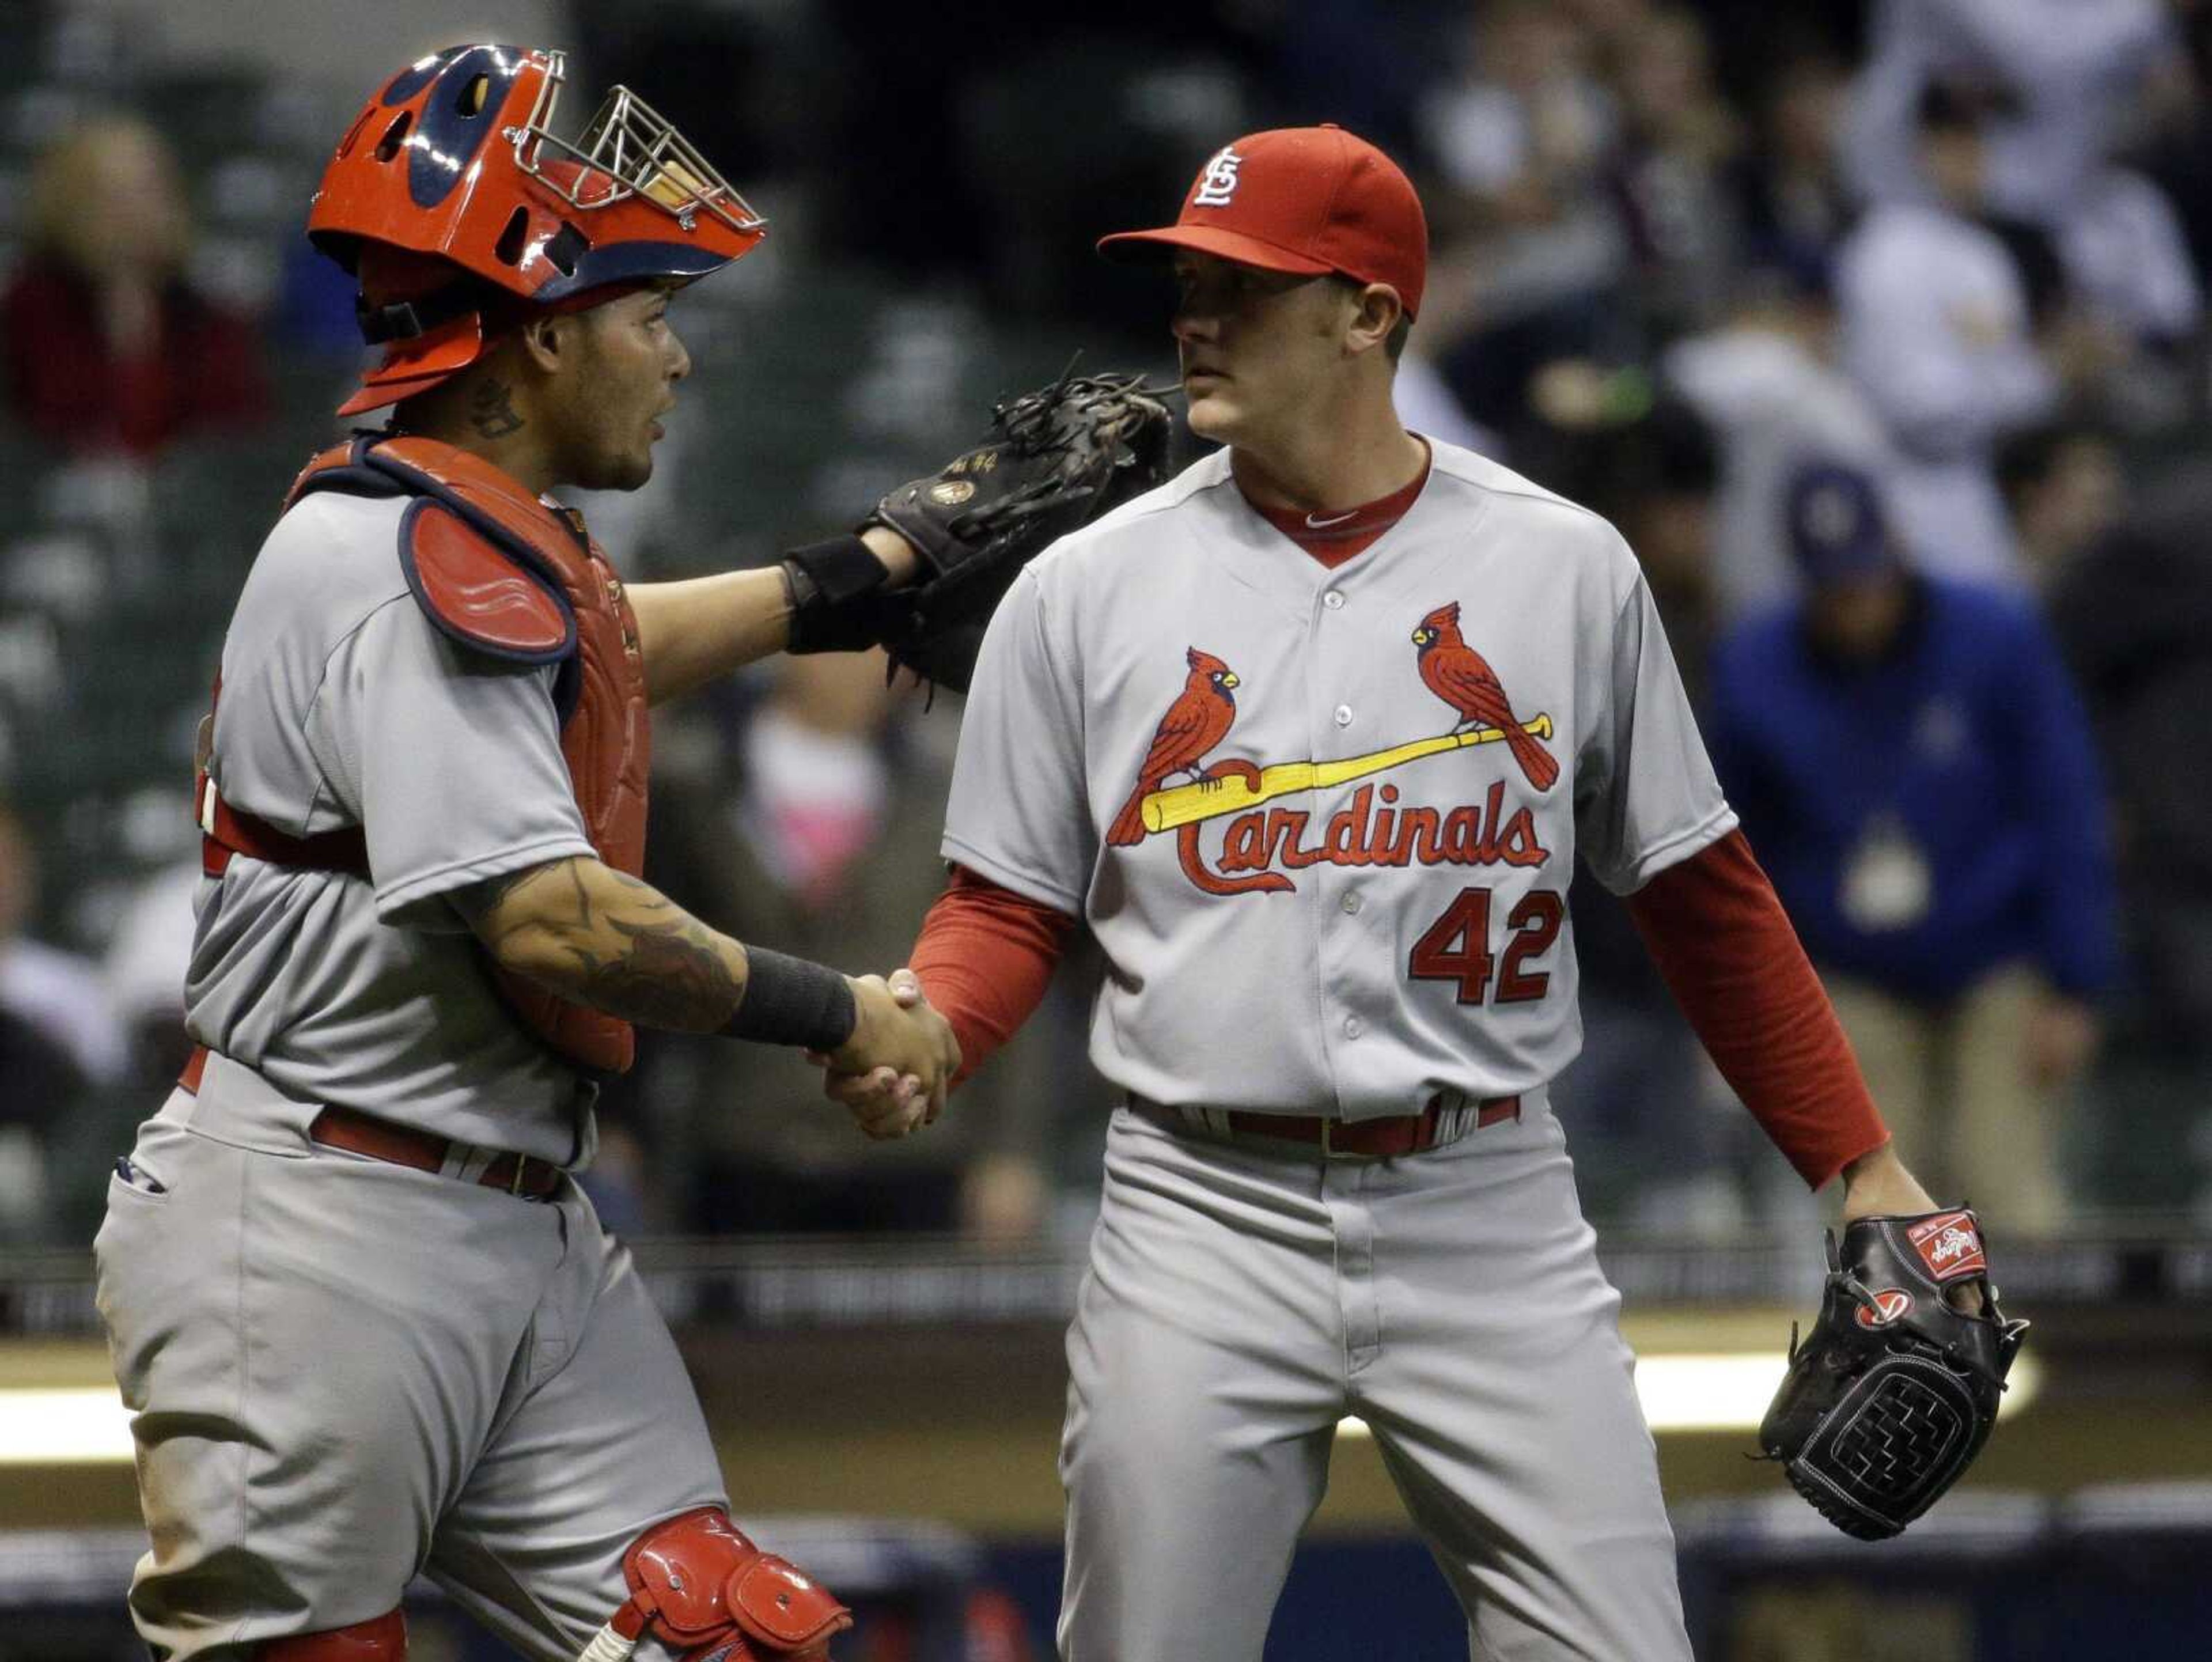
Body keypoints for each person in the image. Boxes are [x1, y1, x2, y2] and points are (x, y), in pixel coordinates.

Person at [832, 125, 1968, 1661]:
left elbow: (1705, 896)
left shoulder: (1561, 566)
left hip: (1483, 1194)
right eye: (1187, 281)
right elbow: (1009, 904)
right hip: (1199, 1203)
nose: (1194, 317)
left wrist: (1863, 1161)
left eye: (1242, 286)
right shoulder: (1085, 586)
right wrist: (942, 1024)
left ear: (1369, 311)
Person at [92, 44, 965, 1662]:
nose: (678, 359)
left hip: (513, 1218)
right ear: (546, 335)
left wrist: (850, 577)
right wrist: (844, 1012)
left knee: (726, 1639)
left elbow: (595, 645)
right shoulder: (393, 555)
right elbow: (555, 922)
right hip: (318, 1220)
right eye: (651, 317)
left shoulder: (457, 531)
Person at [1706, 457, 2117, 1229]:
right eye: (1836, 590)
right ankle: (1888, 1356)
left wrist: (2075, 981)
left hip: (1995, 954)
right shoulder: (1756, 663)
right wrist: (1744, 1004)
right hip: (1846, 969)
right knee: (1875, 1209)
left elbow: (2065, 806)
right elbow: (1730, 848)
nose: (1857, 607)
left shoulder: (1995, 635)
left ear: (1896, 551)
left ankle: (2025, 1353)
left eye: (1867, 581)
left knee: (2008, 1193)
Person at [1, 114, 271, 457]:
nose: (132, 212)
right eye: (110, 195)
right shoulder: (24, 312)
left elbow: (235, 435)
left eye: (147, 192)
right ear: (67, 203)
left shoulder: (209, 321)